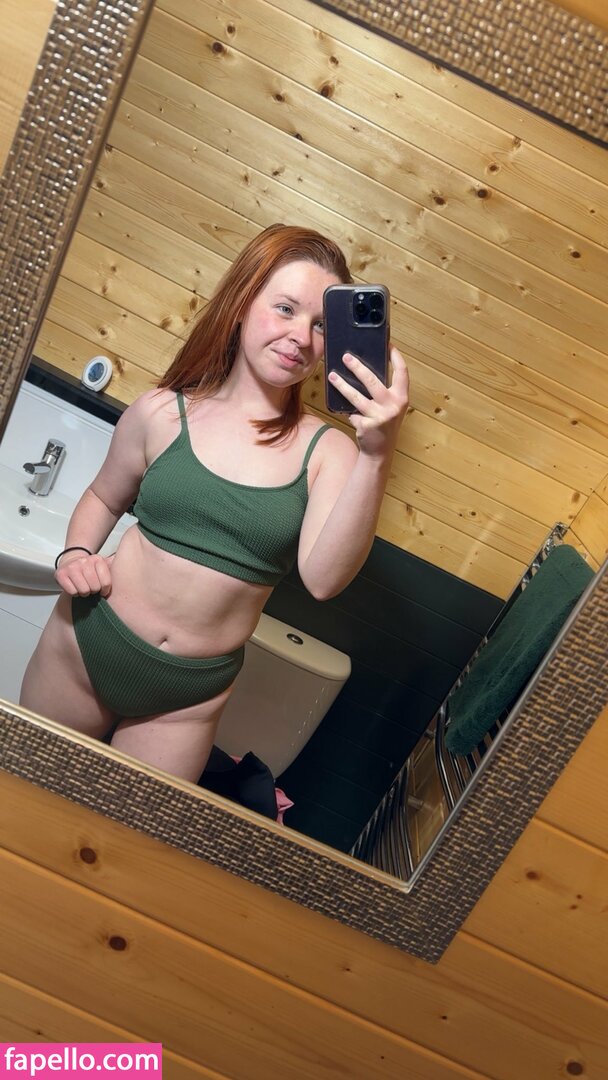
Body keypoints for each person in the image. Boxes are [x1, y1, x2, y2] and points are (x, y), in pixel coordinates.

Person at [20, 224, 409, 783]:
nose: (301, 336)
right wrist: (75, 553)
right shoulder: (160, 411)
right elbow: (103, 496)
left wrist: (377, 454)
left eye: (321, 324)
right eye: (285, 309)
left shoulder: (330, 452)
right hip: (84, 644)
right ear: (243, 304)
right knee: (21, 793)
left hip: (187, 699)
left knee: (121, 834)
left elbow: (323, 581)